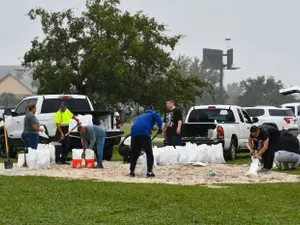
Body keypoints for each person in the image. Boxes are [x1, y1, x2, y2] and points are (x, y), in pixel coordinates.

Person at [129, 106, 162, 177]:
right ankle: (149, 172)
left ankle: (132, 171)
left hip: (134, 134)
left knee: (134, 153)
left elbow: (141, 125)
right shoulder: (153, 114)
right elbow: (158, 118)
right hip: (144, 134)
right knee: (149, 153)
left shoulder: (140, 116)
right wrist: (160, 128)